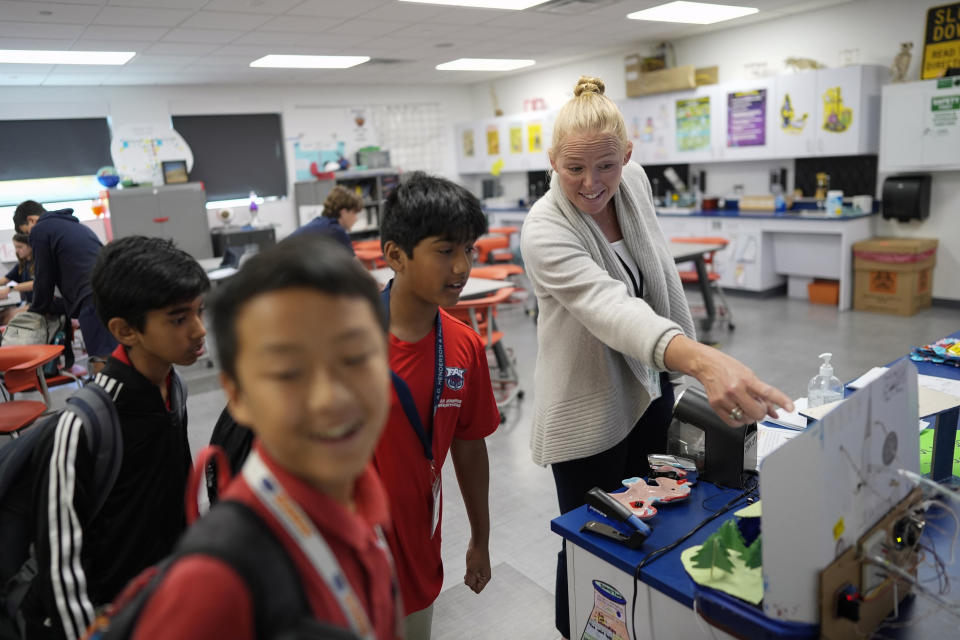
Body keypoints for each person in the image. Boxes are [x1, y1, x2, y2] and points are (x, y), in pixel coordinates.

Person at [519, 76, 794, 639]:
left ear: (627, 156)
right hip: (585, 410)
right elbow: (609, 306)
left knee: (656, 520)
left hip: (649, 388)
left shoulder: (634, 184)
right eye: (573, 169)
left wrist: (678, 364)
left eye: (606, 166)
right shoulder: (544, 228)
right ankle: (580, 630)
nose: (591, 184)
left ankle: (640, 623)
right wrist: (700, 359)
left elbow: (650, 279)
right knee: (593, 540)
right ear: (551, 161)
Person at [128, 235, 399, 639]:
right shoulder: (212, 587)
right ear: (237, 396)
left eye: (356, 358)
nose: (330, 398)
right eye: (289, 373)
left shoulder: (363, 498)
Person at [21, 236, 209, 640]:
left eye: (199, 311)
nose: (199, 330)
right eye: (179, 318)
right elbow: (60, 569)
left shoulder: (173, 390)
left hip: (161, 605)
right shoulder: (83, 424)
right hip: (106, 620)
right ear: (125, 330)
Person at [377, 172, 501, 639]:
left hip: (420, 556)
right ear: (395, 255)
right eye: (445, 250)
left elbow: (469, 448)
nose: (462, 267)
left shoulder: (464, 347)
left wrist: (479, 541)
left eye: (469, 249)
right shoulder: (342, 344)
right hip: (344, 564)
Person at [13, 200, 117, 370]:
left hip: (92, 298)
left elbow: (43, 278)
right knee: (117, 354)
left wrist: (34, 313)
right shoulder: (74, 226)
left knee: (101, 359)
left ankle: (108, 396)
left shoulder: (40, 229)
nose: (30, 237)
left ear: (31, 220)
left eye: (27, 232)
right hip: (113, 292)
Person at [290, 185, 364, 253]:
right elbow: (354, 265)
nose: (356, 219)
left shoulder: (321, 222)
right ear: (343, 212)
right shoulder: (336, 231)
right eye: (355, 213)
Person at [0, 233, 35, 325]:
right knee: (2, 315)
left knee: (6, 319)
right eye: (15, 247)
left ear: (30, 246)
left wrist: (10, 288)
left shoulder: (38, 263)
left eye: (20, 247)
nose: (16, 251)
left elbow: (36, 284)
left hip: (38, 304)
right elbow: (6, 279)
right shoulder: (22, 264)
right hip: (27, 303)